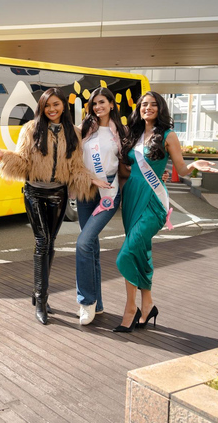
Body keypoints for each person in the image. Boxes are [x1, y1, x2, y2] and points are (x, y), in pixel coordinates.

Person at [0, 88, 111, 325]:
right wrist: (3, 155)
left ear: (63, 106)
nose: (52, 109)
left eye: (56, 104)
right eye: (47, 105)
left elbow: (76, 167)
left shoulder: (74, 133)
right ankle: (41, 300)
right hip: (34, 192)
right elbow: (23, 161)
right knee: (42, 242)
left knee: (50, 243)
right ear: (41, 107)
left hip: (58, 194)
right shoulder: (31, 128)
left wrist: (92, 179)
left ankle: (38, 294)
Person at [113, 91, 218, 332]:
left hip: (154, 201)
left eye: (153, 104)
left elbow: (181, 169)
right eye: (143, 104)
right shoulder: (134, 134)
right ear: (138, 109)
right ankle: (147, 305)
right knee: (140, 251)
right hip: (132, 199)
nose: (147, 108)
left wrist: (194, 165)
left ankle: (131, 308)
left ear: (161, 109)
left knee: (127, 253)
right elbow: (126, 169)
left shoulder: (168, 135)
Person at [75, 87, 127, 325]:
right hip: (87, 192)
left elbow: (131, 161)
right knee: (91, 248)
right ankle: (98, 303)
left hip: (108, 193)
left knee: (84, 242)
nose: (98, 107)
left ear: (112, 105)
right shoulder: (85, 129)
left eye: (102, 102)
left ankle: (86, 302)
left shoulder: (122, 132)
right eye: (94, 103)